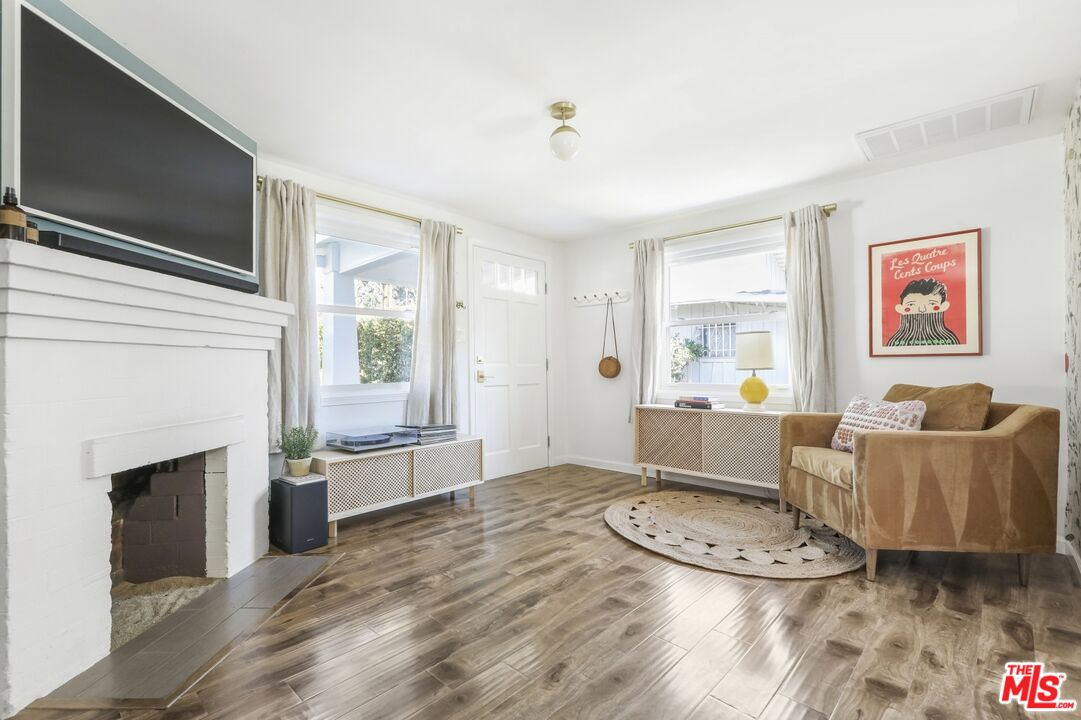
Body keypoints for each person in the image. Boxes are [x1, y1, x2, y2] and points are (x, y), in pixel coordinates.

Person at [886, 277, 960, 347]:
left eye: (932, 304)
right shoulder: (894, 342)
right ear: (900, 309)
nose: (922, 310)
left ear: (944, 306)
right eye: (911, 304)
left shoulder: (949, 340)